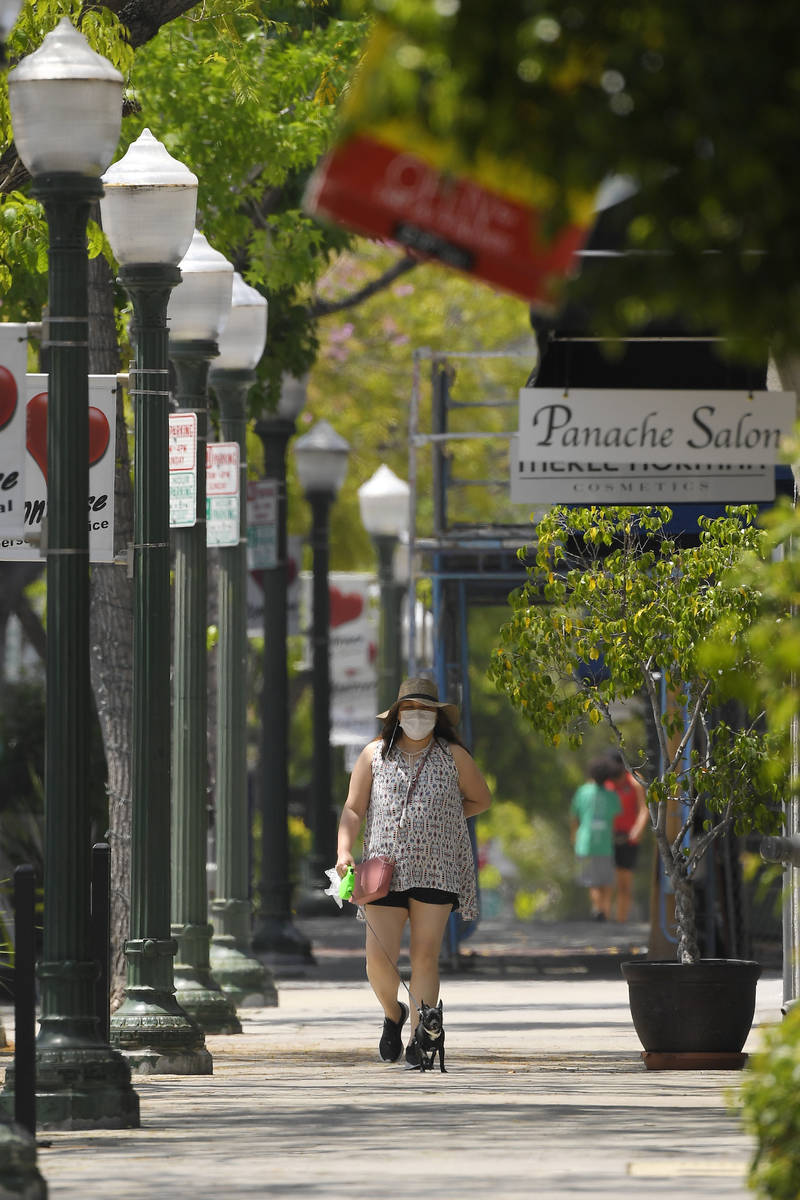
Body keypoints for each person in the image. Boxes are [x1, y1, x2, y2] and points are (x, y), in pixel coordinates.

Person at [335, 676, 491, 1068]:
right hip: (381, 868)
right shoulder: (374, 754)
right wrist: (343, 851)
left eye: (426, 711)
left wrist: (446, 819)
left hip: (437, 868)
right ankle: (393, 1012)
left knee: (425, 955)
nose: (419, 717)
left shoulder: (453, 755)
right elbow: (354, 809)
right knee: (378, 961)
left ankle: (422, 1035)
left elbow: (480, 799)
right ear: (397, 715)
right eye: (411, 710)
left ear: (437, 717)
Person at [569, 756, 620, 921]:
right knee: (606, 880)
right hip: (605, 842)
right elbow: (616, 815)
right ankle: (604, 910)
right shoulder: (611, 795)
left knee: (592, 881)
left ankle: (597, 908)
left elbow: (574, 816)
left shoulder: (582, 791)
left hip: (585, 842)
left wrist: (574, 836)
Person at [606, 749, 650, 923]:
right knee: (606, 881)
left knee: (624, 884)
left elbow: (643, 809)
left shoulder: (634, 781)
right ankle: (604, 917)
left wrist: (638, 829)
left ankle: (620, 921)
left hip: (627, 837)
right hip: (607, 837)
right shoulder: (605, 780)